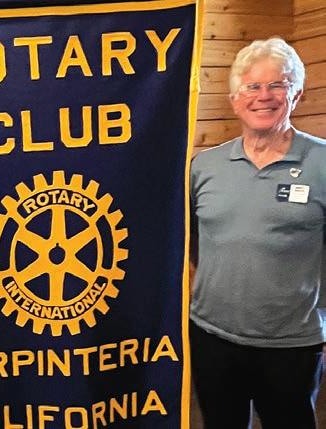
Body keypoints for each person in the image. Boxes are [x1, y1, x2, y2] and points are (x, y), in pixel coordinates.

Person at [190, 37, 326, 429]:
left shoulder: (321, 162)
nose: (263, 96)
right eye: (252, 86)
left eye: (277, 85)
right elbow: (194, 241)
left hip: (292, 344)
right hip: (212, 337)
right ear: (235, 99)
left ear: (296, 94)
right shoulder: (204, 166)